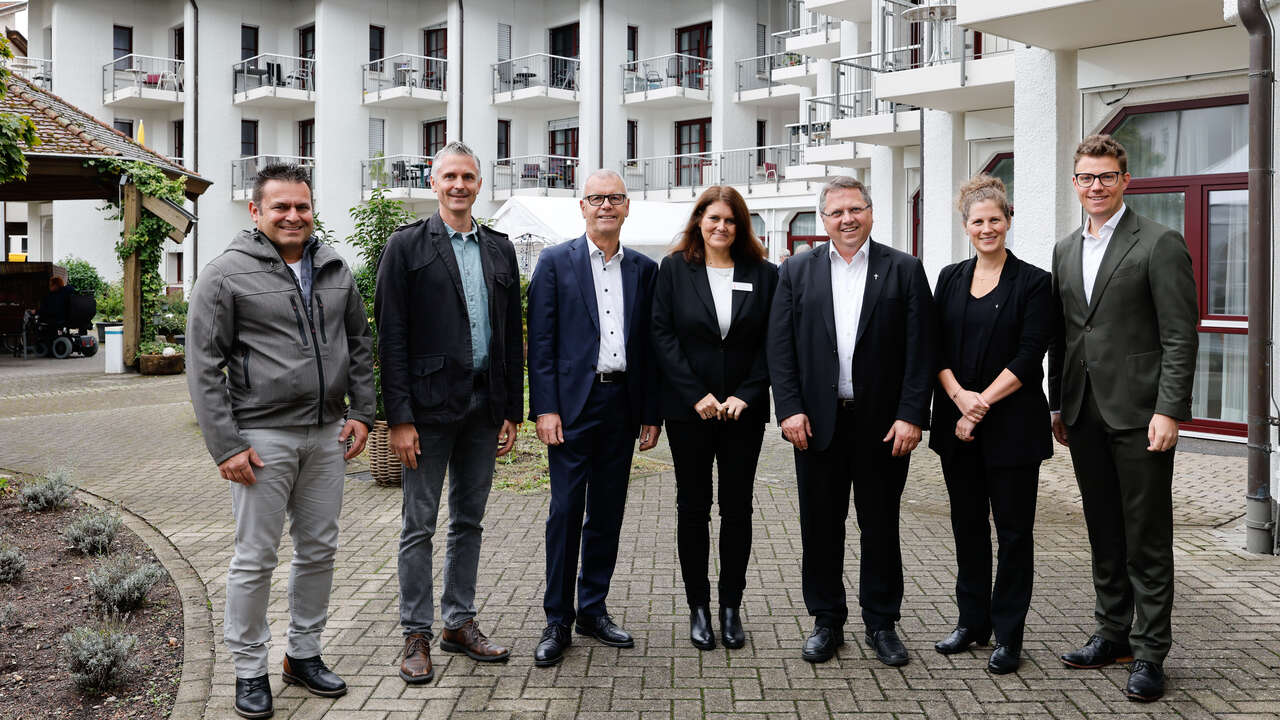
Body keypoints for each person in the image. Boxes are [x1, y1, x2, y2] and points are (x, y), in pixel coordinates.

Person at [186, 163, 374, 720]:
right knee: (255, 557)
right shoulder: (224, 274)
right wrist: (225, 445)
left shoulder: (337, 268)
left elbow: (360, 345)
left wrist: (363, 412)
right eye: (280, 207)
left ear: (313, 210)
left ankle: (304, 654)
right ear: (256, 212)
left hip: (327, 435)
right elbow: (203, 366)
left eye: (302, 207)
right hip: (261, 437)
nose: (293, 216)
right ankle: (248, 669)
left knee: (319, 550)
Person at [1048, 134, 1198, 702]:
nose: (1095, 186)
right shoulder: (1064, 250)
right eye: (1086, 177)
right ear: (1075, 183)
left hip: (1141, 416)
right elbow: (1064, 335)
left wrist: (1170, 410)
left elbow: (1181, 335)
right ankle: (1112, 634)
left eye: (1105, 177)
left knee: (1147, 536)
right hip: (1084, 413)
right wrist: (1057, 404)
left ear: (1125, 181)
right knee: (1103, 531)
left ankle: (1151, 650)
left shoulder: (1159, 243)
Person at [767, 176, 935, 667]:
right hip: (816, 424)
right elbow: (780, 348)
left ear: (871, 212)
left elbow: (919, 351)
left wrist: (911, 416)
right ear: (824, 219)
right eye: (837, 212)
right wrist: (789, 408)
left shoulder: (903, 270)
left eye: (855, 209)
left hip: (882, 427)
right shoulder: (796, 271)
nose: (847, 219)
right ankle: (826, 621)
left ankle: (882, 623)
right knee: (821, 527)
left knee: (880, 526)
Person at [375, 141, 523, 684]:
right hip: (429, 411)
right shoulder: (407, 247)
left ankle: (458, 622)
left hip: (485, 408)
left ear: (479, 184)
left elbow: (510, 336)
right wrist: (400, 418)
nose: (459, 185)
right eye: (449, 177)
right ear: (433, 183)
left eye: (468, 176)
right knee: (419, 525)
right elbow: (390, 337)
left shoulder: (499, 249)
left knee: (469, 521)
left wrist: (512, 410)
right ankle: (415, 632)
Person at [526, 169, 662, 667]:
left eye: (615, 198)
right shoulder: (555, 262)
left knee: (607, 513)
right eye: (596, 198)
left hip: (621, 406)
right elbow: (539, 343)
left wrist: (651, 412)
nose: (606, 205)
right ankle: (557, 619)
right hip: (570, 408)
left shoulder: (645, 270)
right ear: (581, 207)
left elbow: (649, 347)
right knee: (565, 514)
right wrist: (544, 407)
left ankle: (593, 609)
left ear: (627, 207)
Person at [928, 175, 1052, 675]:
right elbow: (933, 348)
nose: (987, 228)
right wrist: (959, 398)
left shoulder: (1034, 282)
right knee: (968, 529)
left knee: (1014, 534)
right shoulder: (949, 278)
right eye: (977, 221)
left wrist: (978, 406)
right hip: (956, 425)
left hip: (1013, 430)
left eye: (994, 219)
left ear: (1008, 219)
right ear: (965, 226)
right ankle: (971, 622)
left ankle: (1008, 634)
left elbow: (1030, 356)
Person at [651, 186, 778, 651]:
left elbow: (773, 341)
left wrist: (747, 393)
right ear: (698, 221)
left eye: (730, 220)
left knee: (738, 509)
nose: (721, 227)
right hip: (691, 412)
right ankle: (698, 607)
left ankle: (731, 607)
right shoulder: (673, 270)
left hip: (743, 413)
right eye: (713, 218)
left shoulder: (764, 274)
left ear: (740, 226)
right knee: (693, 508)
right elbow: (661, 336)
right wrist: (695, 395)